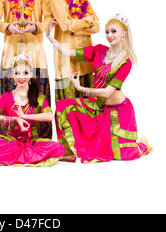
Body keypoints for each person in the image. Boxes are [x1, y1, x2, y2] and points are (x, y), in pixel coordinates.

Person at [46, 14, 152, 163]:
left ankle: (143, 145)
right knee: (63, 105)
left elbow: (108, 91)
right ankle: (68, 152)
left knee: (122, 155)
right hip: (97, 104)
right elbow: (66, 52)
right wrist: (49, 36)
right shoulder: (99, 50)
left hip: (118, 113)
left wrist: (81, 88)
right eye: (107, 32)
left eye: (113, 31)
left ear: (123, 33)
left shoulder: (125, 61)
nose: (109, 35)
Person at [0, 0, 53, 139]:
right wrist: (8, 26)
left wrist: (38, 26)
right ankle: (8, 139)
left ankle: (42, 141)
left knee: (40, 98)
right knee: (9, 99)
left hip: (37, 56)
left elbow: (50, 18)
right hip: (11, 55)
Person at [0, 54, 65, 166]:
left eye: (25, 73)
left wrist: (24, 116)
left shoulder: (39, 97)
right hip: (12, 143)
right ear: (13, 75)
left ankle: (17, 157)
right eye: (17, 73)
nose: (21, 77)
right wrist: (15, 119)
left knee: (58, 147)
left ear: (31, 74)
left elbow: (49, 116)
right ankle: (27, 157)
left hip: (32, 143)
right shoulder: (6, 97)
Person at [50, 0, 100, 103]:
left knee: (89, 104)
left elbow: (97, 27)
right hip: (67, 62)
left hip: (86, 60)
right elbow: (67, 26)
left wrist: (75, 28)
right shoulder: (56, 0)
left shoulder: (83, 0)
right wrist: (87, 21)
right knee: (68, 106)